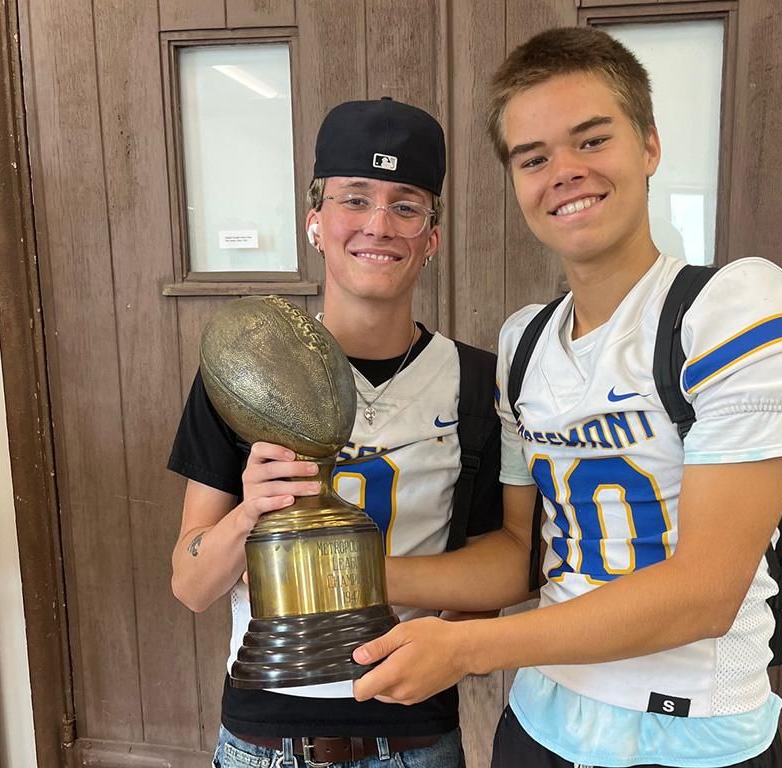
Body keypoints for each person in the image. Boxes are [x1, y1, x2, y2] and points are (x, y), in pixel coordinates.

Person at [350, 27, 782, 768]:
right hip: (541, 723)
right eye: (533, 158)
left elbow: (706, 591)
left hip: (691, 734)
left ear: (649, 146)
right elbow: (521, 551)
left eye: (591, 140)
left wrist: (470, 646)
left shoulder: (731, 310)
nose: (563, 172)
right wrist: (354, 571)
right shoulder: (524, 343)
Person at [168, 97, 534, 767]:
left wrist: (349, 579)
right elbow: (190, 585)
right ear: (315, 221)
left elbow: (506, 569)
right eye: (354, 199)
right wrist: (249, 513)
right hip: (263, 739)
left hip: (413, 737)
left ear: (432, 234)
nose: (379, 225)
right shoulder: (244, 373)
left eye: (406, 205)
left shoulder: (477, 382)